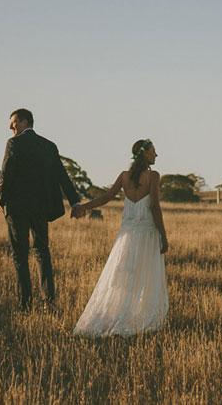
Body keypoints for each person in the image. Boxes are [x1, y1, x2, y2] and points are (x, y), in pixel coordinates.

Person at [72, 138, 169, 337]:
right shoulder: (154, 176)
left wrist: (84, 207)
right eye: (153, 151)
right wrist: (163, 235)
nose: (156, 155)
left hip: (127, 235)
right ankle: (135, 317)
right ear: (144, 154)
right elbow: (154, 206)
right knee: (145, 275)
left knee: (125, 274)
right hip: (147, 233)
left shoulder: (124, 176)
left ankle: (122, 312)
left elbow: (106, 198)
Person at [0, 108, 81, 310]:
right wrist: (74, 201)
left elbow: (6, 173)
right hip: (41, 208)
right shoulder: (48, 146)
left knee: (20, 255)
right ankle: (49, 302)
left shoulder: (14, 143)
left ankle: (25, 304)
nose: (10, 127)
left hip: (17, 208)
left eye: (14, 122)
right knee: (42, 251)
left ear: (25, 122)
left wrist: (1, 200)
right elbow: (62, 175)